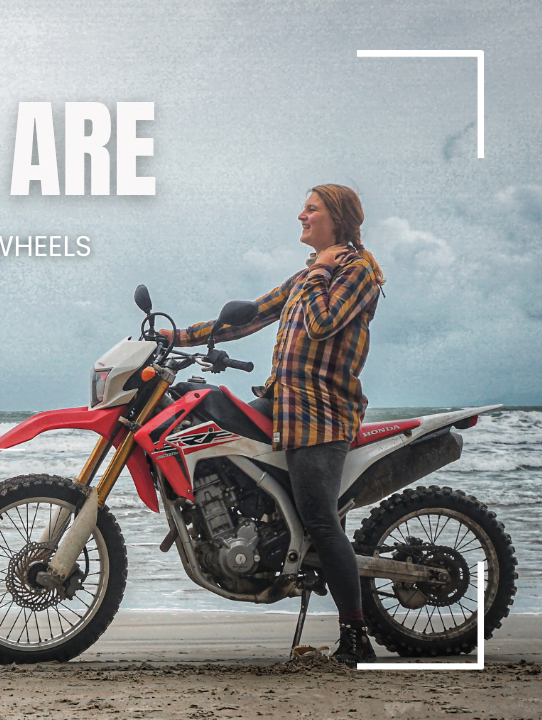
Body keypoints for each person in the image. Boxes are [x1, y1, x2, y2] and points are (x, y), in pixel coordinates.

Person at [161, 184, 386, 665]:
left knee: (321, 521)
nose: (300, 215)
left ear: (337, 217)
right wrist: (177, 336)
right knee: (204, 411)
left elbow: (325, 323)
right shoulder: (309, 275)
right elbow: (253, 316)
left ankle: (355, 635)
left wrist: (323, 268)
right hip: (282, 402)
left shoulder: (356, 270)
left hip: (321, 413)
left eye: (311, 208)